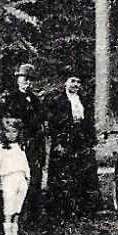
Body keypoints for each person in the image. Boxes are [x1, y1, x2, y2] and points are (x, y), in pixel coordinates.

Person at [43, 74, 99, 220]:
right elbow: (52, 122)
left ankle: (82, 210)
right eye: (72, 81)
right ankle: (60, 211)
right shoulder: (57, 100)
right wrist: (58, 140)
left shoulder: (84, 100)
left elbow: (89, 122)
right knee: (62, 175)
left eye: (78, 82)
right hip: (63, 140)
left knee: (82, 174)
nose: (75, 84)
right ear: (65, 83)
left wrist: (91, 140)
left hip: (80, 140)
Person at [0, 63, 46, 225]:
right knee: (15, 179)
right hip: (18, 144)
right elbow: (8, 122)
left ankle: (33, 217)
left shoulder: (35, 99)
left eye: (31, 79)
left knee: (34, 177)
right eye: (25, 78)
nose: (28, 82)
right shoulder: (10, 97)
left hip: (35, 145)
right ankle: (13, 217)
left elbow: (42, 119)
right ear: (18, 79)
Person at [0, 118, 33, 235]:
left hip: (20, 178)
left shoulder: (20, 147)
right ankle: (7, 233)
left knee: (18, 206)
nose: (11, 135)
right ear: (3, 133)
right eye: (8, 132)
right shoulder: (0, 148)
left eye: (14, 131)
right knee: (9, 205)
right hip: (8, 178)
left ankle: (15, 232)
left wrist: (27, 177)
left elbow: (25, 163)